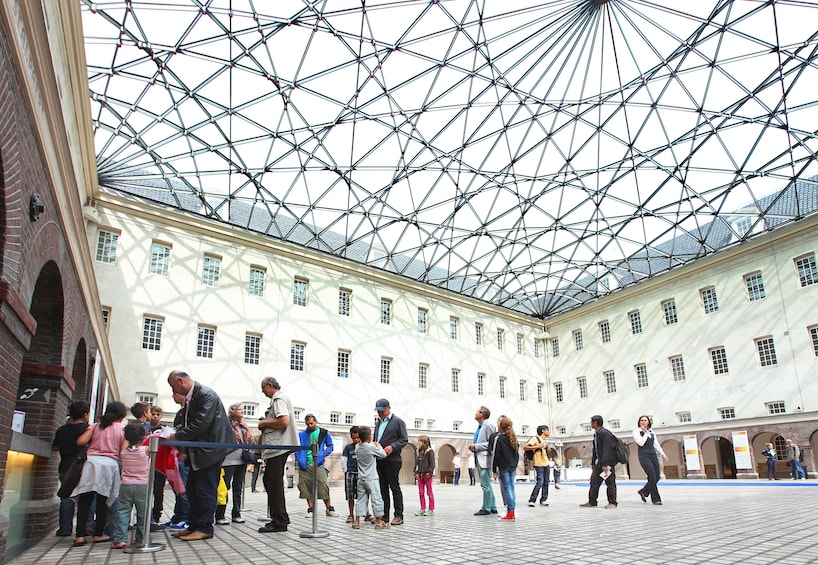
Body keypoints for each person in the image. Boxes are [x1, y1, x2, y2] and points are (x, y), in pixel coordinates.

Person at [166, 369, 235, 542]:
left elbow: (201, 424)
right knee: (193, 490)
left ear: (181, 381)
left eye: (173, 386)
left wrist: (177, 436)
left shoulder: (206, 395)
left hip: (210, 450)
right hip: (199, 450)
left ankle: (204, 527)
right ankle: (194, 525)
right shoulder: (194, 396)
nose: (173, 391)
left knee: (205, 490)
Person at [72, 401, 127, 546]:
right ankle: (98, 534)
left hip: (91, 464)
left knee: (85, 500)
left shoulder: (96, 425)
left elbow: (81, 441)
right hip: (109, 465)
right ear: (122, 415)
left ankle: (79, 536)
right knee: (103, 502)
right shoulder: (122, 428)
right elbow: (124, 450)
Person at [257, 376, 299, 534]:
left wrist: (264, 423)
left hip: (278, 447)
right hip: (278, 446)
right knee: (270, 481)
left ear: (269, 385)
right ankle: (280, 517)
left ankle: (279, 521)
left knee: (273, 483)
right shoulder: (281, 398)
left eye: (263, 388)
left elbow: (283, 421)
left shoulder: (278, 399)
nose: (263, 392)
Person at [52, 400, 90, 537]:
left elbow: (55, 447)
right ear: (85, 415)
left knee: (66, 497)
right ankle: (83, 528)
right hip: (83, 466)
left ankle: (65, 528)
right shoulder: (88, 430)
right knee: (85, 498)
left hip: (66, 466)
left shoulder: (62, 429)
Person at [112, 423, 150, 549]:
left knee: (123, 511)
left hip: (125, 485)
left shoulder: (123, 452)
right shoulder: (145, 450)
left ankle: (120, 539)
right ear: (143, 437)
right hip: (143, 485)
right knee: (143, 513)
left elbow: (126, 444)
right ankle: (140, 538)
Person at [215, 403, 253, 525]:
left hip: (242, 460)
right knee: (224, 488)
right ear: (233, 411)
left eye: (242, 409)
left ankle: (236, 513)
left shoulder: (243, 426)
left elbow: (250, 442)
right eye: (239, 409)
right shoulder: (226, 424)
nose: (242, 411)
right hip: (228, 460)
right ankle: (220, 515)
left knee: (238, 487)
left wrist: (247, 429)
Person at [374, 398, 408, 525]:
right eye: (378, 411)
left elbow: (404, 439)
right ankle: (385, 515)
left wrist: (393, 446)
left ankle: (399, 515)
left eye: (382, 411)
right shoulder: (378, 423)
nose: (380, 413)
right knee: (382, 488)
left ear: (389, 408)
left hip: (393, 460)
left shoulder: (398, 422)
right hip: (380, 459)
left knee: (394, 487)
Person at [295, 414, 337, 517]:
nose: (309, 426)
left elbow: (330, 446)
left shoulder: (323, 433)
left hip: (318, 463)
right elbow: (297, 448)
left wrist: (323, 454)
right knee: (306, 486)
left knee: (323, 483)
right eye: (307, 424)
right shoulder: (301, 435)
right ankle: (311, 509)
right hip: (305, 463)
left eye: (311, 423)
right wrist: (299, 458)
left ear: (315, 421)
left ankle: (329, 507)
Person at [353, 425, 388, 530]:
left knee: (361, 499)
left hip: (361, 478)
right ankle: (378, 521)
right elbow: (383, 454)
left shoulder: (357, 447)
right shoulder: (371, 447)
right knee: (376, 499)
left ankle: (357, 521)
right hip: (372, 478)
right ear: (369, 437)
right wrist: (378, 446)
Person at [580, 415, 617, 509]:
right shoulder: (597, 433)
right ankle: (592, 501)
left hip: (607, 464)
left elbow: (607, 449)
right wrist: (593, 463)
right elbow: (596, 450)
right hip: (598, 464)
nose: (590, 424)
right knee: (594, 483)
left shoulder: (605, 433)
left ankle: (612, 502)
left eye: (591, 422)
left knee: (610, 483)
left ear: (595, 423)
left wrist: (605, 464)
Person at [469, 406, 498, 516]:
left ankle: (486, 507)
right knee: (486, 483)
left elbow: (491, 443)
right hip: (479, 456)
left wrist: (475, 446)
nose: (475, 413)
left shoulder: (488, 426)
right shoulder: (480, 427)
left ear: (482, 414)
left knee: (485, 484)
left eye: (477, 412)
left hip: (484, 457)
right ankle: (492, 505)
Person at [633, 415, 668, 505]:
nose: (643, 422)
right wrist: (645, 434)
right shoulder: (636, 432)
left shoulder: (652, 431)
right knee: (652, 476)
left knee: (657, 476)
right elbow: (640, 443)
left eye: (645, 420)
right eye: (641, 420)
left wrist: (663, 453)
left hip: (652, 454)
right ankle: (656, 499)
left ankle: (644, 491)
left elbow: (655, 444)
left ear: (648, 422)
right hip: (643, 455)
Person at [492, 416, 520, 521]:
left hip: (503, 466)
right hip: (512, 466)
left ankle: (510, 512)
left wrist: (494, 470)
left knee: (507, 488)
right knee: (511, 488)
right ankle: (512, 510)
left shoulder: (500, 439)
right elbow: (517, 454)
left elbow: (497, 456)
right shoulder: (513, 438)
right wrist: (515, 464)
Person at [148, 405, 167, 530]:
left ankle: (156, 513)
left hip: (159, 463)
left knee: (158, 490)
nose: (155, 416)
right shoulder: (144, 427)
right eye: (153, 414)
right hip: (144, 463)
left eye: (157, 415)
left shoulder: (163, 429)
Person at [525, 425, 551, 507]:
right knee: (540, 482)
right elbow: (525, 447)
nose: (549, 432)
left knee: (546, 482)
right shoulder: (535, 439)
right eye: (548, 430)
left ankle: (543, 499)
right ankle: (532, 500)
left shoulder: (544, 440)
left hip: (546, 463)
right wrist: (537, 446)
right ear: (543, 430)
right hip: (538, 463)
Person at [341, 426, 361, 523]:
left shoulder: (363, 447)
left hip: (361, 474)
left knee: (362, 495)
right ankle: (351, 514)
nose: (356, 440)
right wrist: (346, 471)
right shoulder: (348, 448)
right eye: (354, 438)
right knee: (350, 495)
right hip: (350, 473)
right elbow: (344, 459)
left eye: (358, 437)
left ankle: (365, 513)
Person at [414, 435, 436, 516]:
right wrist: (415, 472)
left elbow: (432, 464)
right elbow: (417, 463)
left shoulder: (430, 452)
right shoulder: (419, 451)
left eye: (420, 441)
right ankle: (422, 508)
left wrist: (429, 472)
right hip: (420, 475)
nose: (418, 443)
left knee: (429, 492)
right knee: (421, 492)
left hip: (427, 475)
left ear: (424, 442)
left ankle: (431, 509)